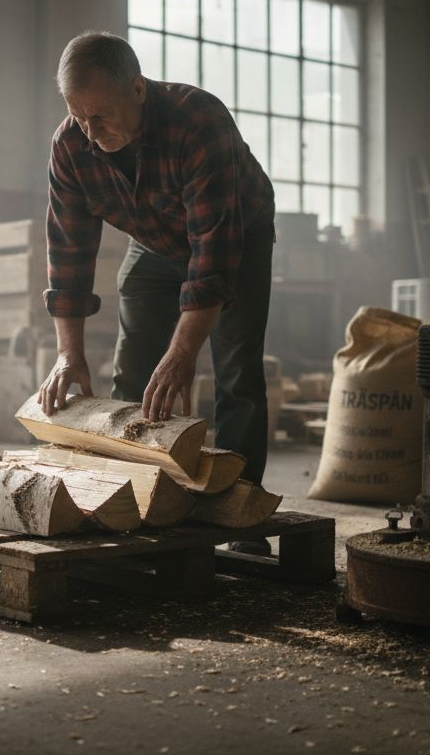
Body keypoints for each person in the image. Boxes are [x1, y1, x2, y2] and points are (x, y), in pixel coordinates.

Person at [36, 30, 277, 485]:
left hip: (235, 235)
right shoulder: (70, 146)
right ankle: (129, 497)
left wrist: (184, 350)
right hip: (152, 238)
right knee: (134, 375)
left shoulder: (198, 121)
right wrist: (68, 353)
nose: (90, 132)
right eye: (77, 116)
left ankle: (240, 504)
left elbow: (212, 251)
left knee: (236, 372)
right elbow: (68, 252)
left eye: (102, 116)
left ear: (138, 90)